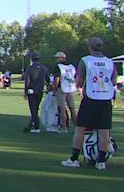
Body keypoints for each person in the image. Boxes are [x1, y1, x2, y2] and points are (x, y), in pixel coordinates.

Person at [62, 37, 117, 170]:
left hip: (90, 98)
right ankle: (101, 161)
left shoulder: (86, 60)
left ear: (89, 47)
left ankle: (74, 158)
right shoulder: (109, 61)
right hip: (106, 98)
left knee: (80, 128)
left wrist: (82, 86)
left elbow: (79, 80)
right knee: (104, 131)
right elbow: (114, 79)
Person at [23, 53, 50, 133]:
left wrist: (25, 91)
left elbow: (27, 81)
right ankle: (31, 125)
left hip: (31, 90)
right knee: (36, 108)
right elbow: (48, 79)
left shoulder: (30, 68)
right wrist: (49, 87)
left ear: (31, 59)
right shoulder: (44, 68)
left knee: (33, 109)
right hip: (40, 90)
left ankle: (36, 127)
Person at [52, 52, 78, 133]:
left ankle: (64, 128)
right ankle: (76, 127)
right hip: (71, 88)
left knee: (62, 109)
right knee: (72, 109)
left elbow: (57, 79)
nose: (56, 59)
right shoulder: (71, 66)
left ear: (62, 58)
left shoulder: (58, 67)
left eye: (57, 58)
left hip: (61, 89)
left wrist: (54, 89)